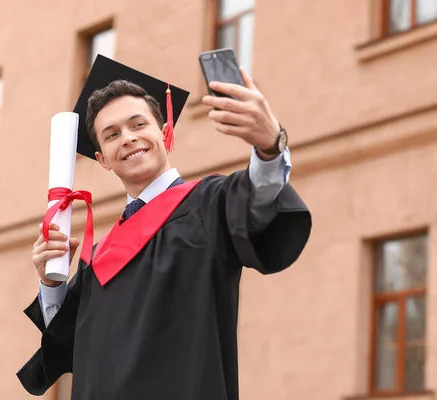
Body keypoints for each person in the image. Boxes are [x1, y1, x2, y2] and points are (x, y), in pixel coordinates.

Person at [17, 55, 311, 400]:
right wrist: (52, 282)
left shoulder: (209, 204)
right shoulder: (101, 257)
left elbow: (259, 198)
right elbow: (68, 343)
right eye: (111, 135)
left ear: (165, 132)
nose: (127, 138)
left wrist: (270, 147)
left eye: (138, 125)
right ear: (103, 160)